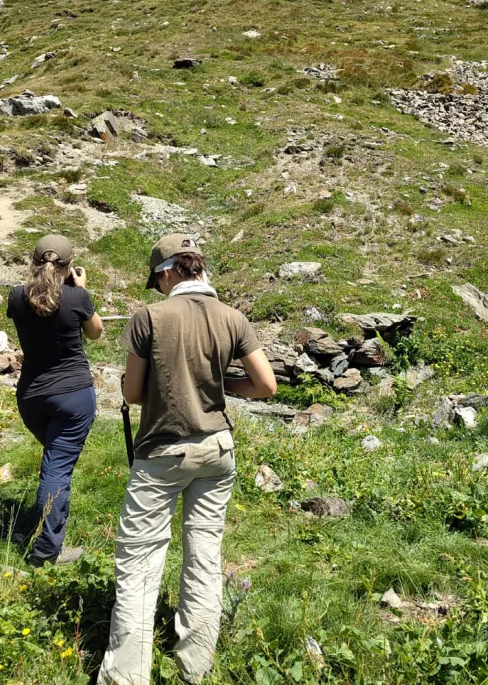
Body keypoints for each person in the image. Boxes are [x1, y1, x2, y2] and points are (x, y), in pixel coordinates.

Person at [100, 234, 277, 685]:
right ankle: (194, 666)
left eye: (156, 280)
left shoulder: (150, 318)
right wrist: (220, 386)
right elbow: (265, 386)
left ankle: (127, 676)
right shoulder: (233, 318)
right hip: (218, 449)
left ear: (166, 272)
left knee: (140, 561)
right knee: (203, 554)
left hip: (162, 451)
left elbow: (133, 394)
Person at [6, 234, 104, 566]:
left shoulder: (17, 297)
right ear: (68, 266)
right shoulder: (77, 297)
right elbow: (96, 332)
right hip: (73, 396)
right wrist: (81, 287)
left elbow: (38, 303)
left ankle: (38, 525)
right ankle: (47, 551)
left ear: (33, 262)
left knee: (53, 464)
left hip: (31, 397)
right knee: (58, 470)